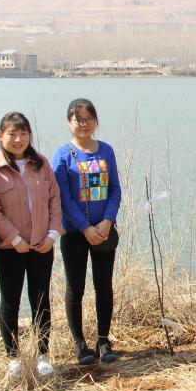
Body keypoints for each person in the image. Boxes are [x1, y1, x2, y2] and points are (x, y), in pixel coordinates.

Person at [0, 112, 62, 380]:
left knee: (41, 300)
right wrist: (15, 239)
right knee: (10, 302)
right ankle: (13, 358)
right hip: (10, 248)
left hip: (42, 245)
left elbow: (54, 199)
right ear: (0, 136)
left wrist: (52, 234)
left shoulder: (40, 164)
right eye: (12, 134)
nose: (18, 139)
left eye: (23, 134)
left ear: (30, 135)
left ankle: (43, 355)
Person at [52, 98, 123, 366]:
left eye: (88, 119)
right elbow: (63, 197)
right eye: (78, 119)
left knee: (104, 286)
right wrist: (84, 227)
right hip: (74, 233)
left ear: (95, 121)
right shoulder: (62, 154)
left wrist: (107, 221)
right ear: (69, 122)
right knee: (75, 288)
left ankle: (103, 340)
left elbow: (114, 189)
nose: (83, 124)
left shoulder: (106, 151)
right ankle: (80, 344)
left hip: (104, 231)